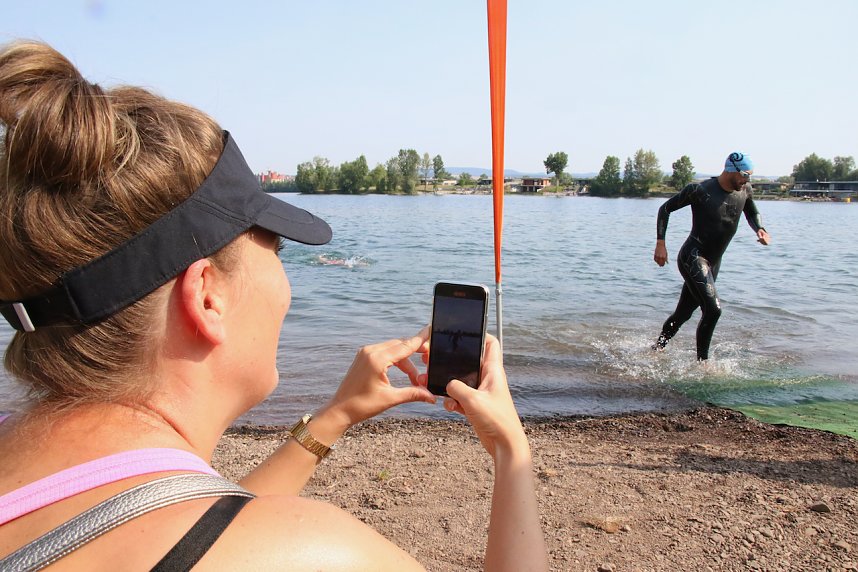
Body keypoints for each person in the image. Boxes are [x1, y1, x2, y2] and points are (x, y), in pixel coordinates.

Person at [0, 40, 548, 571]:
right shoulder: (319, 554)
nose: (287, 282)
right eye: (277, 249)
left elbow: (200, 525)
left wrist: (334, 417)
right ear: (208, 296)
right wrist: (511, 452)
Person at [652, 152, 771, 360]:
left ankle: (657, 348)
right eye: (745, 175)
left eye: (750, 176)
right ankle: (703, 364)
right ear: (731, 169)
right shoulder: (700, 190)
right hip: (693, 256)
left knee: (683, 314)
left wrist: (759, 228)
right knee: (713, 310)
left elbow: (751, 211)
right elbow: (665, 208)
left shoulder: (745, 190)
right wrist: (661, 243)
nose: (747, 180)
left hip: (714, 263)